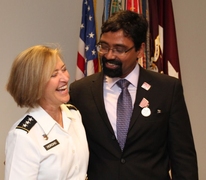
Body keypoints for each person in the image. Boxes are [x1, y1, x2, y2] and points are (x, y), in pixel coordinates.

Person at [69, 10, 198, 180]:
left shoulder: (167, 89)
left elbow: (183, 157)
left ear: (140, 50)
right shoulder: (80, 91)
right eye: (104, 47)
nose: (109, 55)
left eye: (119, 49)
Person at [5, 45, 89, 180]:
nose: (65, 78)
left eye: (64, 69)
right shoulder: (23, 136)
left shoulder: (73, 115)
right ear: (34, 84)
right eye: (54, 74)